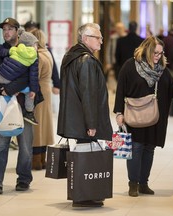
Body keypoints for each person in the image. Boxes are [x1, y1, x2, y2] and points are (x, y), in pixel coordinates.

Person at [113, 36, 173, 197]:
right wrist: (119, 112)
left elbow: (170, 90)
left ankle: (143, 183)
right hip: (135, 115)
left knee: (149, 148)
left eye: (161, 53)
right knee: (136, 147)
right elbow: (120, 90)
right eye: (155, 52)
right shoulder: (130, 66)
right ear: (147, 49)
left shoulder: (162, 69)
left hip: (156, 117)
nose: (158, 56)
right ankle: (133, 184)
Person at [57, 23, 112, 207]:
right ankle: (84, 196)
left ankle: (85, 194)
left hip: (75, 117)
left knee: (82, 155)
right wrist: (91, 123)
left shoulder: (71, 55)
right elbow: (88, 93)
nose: (102, 41)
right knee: (86, 157)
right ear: (86, 39)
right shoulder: (86, 60)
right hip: (84, 118)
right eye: (98, 38)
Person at [0, 17, 34, 194]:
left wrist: (10, 88)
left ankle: (24, 179)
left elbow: (29, 77)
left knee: (25, 147)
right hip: (3, 107)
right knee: (1, 144)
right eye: (4, 29)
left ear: (17, 31)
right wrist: (3, 90)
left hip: (24, 108)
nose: (6, 32)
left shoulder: (28, 52)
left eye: (10, 29)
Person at [0, 31, 40, 125]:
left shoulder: (15, 49)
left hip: (0, 75)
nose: (37, 47)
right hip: (12, 81)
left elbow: (2, 51)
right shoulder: (34, 58)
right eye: (36, 45)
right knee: (29, 92)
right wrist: (33, 90)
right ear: (32, 45)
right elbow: (33, 76)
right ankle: (29, 112)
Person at [30, 29, 55, 170]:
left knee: (37, 126)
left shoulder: (38, 56)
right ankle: (43, 159)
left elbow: (35, 76)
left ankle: (36, 161)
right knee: (45, 124)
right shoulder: (47, 53)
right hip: (47, 90)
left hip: (38, 91)